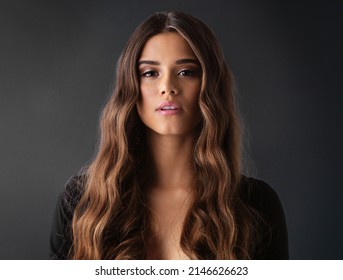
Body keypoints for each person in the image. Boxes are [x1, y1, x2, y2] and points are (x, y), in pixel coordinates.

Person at [50, 11, 289, 260]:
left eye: (186, 72)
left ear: (209, 86)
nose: (168, 87)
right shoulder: (82, 203)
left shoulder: (256, 205)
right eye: (150, 73)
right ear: (131, 86)